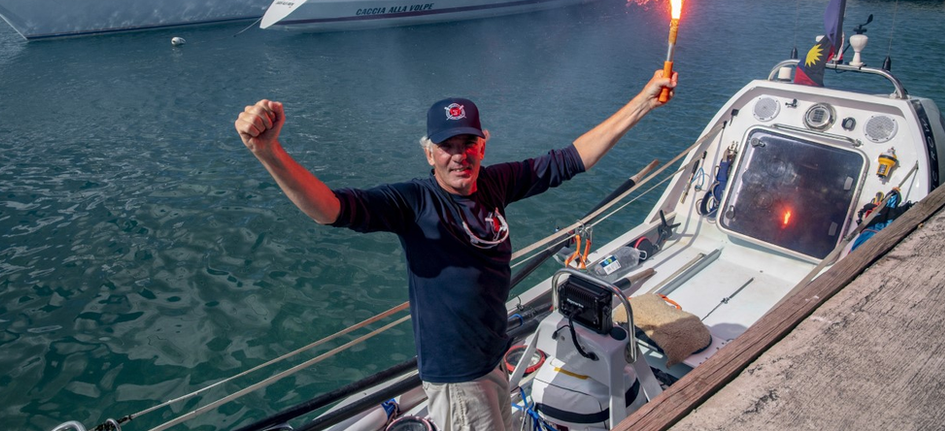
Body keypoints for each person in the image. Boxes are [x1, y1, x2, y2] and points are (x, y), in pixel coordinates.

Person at [235, 70, 676, 431]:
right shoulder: (412, 203)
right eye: (447, 147)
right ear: (430, 154)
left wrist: (643, 101)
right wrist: (270, 152)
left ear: (483, 144)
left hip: (492, 359)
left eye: (468, 144)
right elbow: (330, 209)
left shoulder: (494, 184)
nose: (459, 156)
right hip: (459, 378)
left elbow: (569, 159)